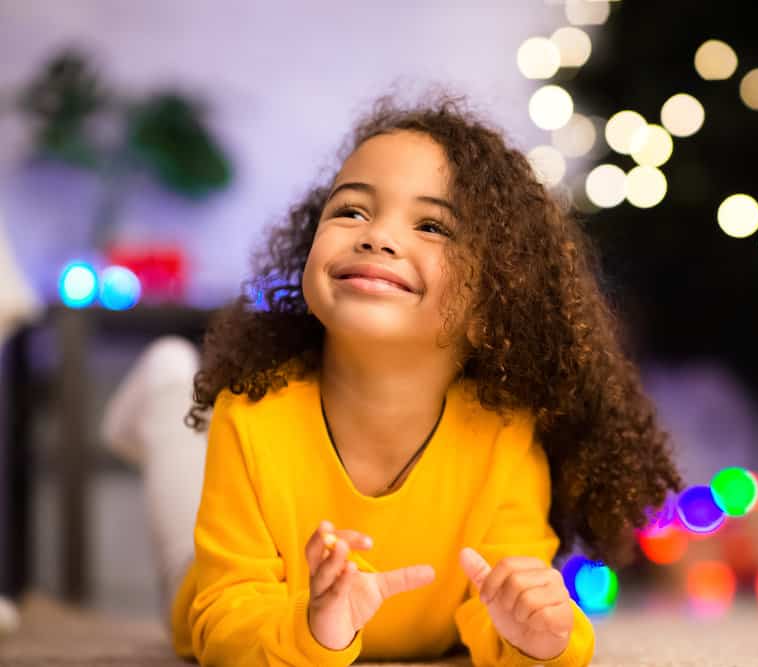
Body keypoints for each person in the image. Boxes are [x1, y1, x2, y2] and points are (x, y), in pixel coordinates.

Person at [102, 87, 682, 666]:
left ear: (493, 304)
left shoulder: (505, 435)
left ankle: (165, 386)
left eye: (432, 226)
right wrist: (312, 628)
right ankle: (165, 387)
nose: (377, 236)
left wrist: (542, 636)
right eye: (351, 210)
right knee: (184, 511)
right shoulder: (251, 413)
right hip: (224, 598)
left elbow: (503, 608)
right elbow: (225, 614)